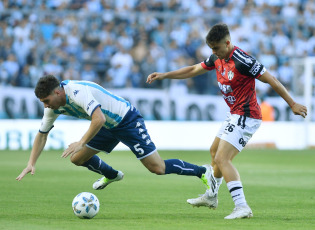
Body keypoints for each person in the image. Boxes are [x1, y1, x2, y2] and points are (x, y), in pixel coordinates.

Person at [146, 23, 307, 219]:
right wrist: (165, 75)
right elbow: (194, 69)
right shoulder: (217, 57)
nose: (213, 52)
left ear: (228, 43)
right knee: (214, 152)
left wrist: (292, 103)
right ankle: (211, 196)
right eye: (211, 49)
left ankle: (242, 206)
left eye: (216, 48)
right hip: (235, 114)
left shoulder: (243, 60)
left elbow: (271, 79)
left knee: (223, 159)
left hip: (247, 115)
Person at [16, 75, 216, 199]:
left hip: (126, 120)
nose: (45, 106)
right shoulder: (53, 107)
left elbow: (99, 118)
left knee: (157, 168)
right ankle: (113, 175)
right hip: (106, 125)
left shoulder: (77, 91)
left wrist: (81, 142)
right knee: (77, 158)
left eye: (46, 100)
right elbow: (42, 135)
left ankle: (202, 171)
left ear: (58, 92)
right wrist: (31, 162)